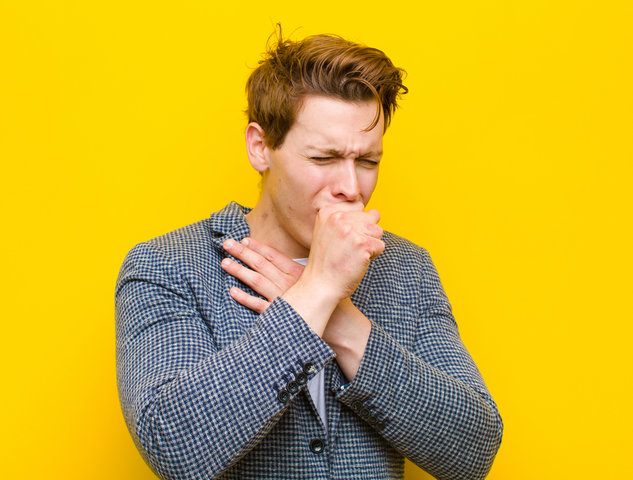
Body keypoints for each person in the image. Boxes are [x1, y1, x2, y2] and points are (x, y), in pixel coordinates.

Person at [116, 30, 503, 480]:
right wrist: (315, 292)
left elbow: (473, 451)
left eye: (368, 161)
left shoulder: (407, 269)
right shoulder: (167, 266)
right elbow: (174, 446)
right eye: (323, 158)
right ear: (260, 147)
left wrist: (340, 321)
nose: (351, 188)